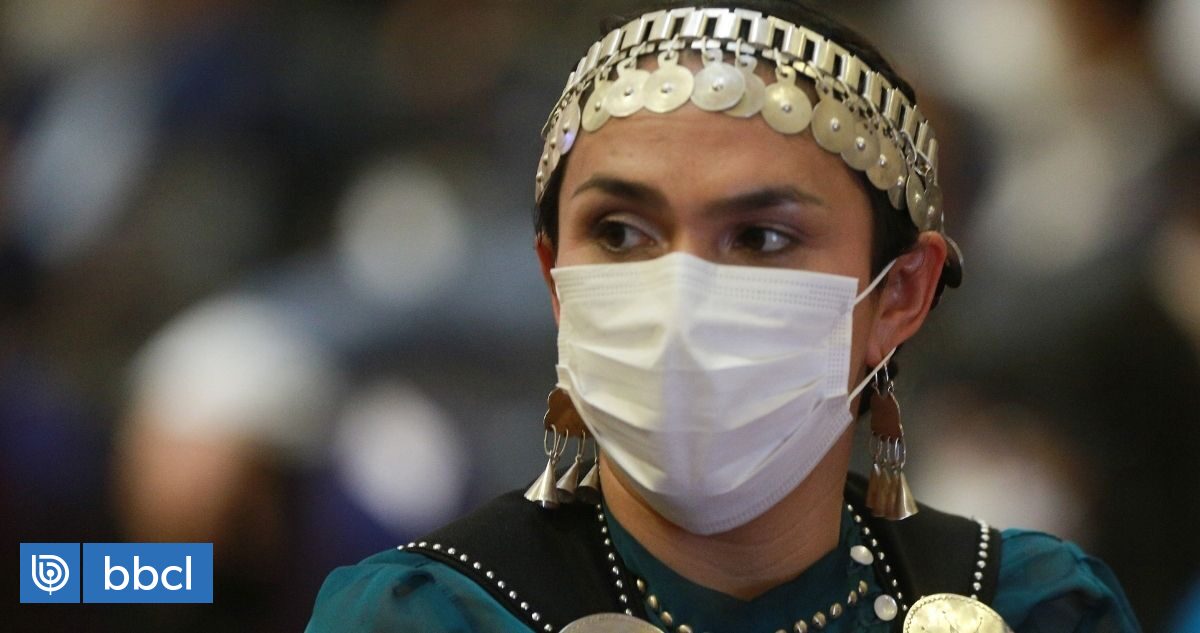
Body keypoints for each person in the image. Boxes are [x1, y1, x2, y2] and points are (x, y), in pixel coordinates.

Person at [305, 2, 1142, 631]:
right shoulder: (428, 613)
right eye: (620, 232)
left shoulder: (1027, 604)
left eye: (761, 237)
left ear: (899, 294)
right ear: (556, 281)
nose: (680, 296)